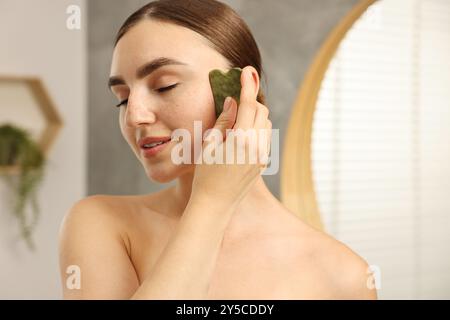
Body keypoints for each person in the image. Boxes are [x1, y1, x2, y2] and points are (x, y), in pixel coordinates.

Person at [58, 0, 377, 300]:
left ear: (241, 89)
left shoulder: (344, 276)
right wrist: (211, 203)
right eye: (123, 97)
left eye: (164, 85)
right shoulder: (101, 223)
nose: (134, 115)